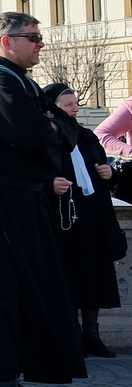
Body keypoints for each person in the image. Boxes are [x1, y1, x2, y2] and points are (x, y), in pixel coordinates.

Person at [0, 13, 88, 387]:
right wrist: (53, 126)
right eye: (32, 37)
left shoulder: (17, 81)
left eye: (39, 36)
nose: (40, 44)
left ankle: (10, 377)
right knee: (0, 290)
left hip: (21, 199)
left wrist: (55, 126)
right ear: (6, 41)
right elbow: (31, 135)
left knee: (28, 288)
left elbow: (60, 134)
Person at [41, 83, 122, 359]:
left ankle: (93, 335)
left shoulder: (86, 136)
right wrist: (49, 184)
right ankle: (72, 336)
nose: (75, 109)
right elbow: (35, 173)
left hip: (93, 214)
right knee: (69, 277)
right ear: (52, 109)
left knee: (94, 276)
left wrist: (109, 172)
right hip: (62, 216)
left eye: (76, 104)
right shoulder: (46, 137)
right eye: (68, 105)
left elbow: (103, 169)